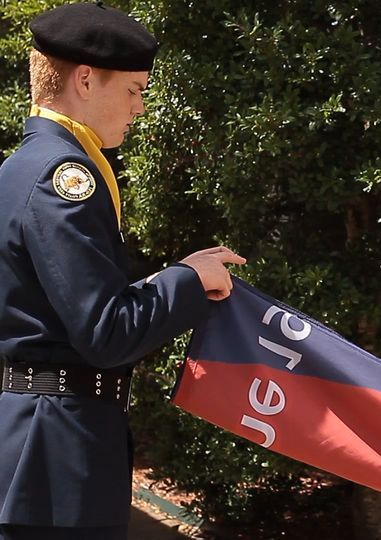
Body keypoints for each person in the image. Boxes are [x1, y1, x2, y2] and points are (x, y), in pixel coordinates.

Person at [0, 3, 245, 539]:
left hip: (42, 450)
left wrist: (175, 277)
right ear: (85, 80)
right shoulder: (64, 176)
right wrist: (189, 280)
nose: (140, 108)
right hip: (58, 460)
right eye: (134, 90)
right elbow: (105, 331)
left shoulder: (23, 167)